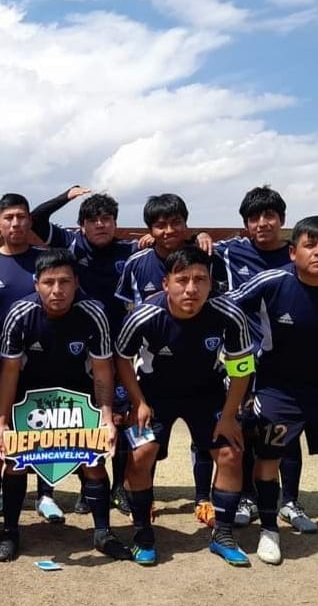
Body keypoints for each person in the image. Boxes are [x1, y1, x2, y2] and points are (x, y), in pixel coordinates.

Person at [229, 215, 318, 568]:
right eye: (311, 245)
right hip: (275, 388)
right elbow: (226, 309)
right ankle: (269, 530)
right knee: (268, 458)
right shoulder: (271, 282)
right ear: (293, 252)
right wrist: (241, 369)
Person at [114, 246, 255, 565]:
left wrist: (230, 415)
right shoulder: (144, 315)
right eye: (182, 280)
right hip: (154, 393)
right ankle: (142, 531)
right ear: (166, 284)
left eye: (199, 280)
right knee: (141, 454)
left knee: (231, 453)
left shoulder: (228, 313)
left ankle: (223, 534)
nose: (191, 288)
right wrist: (137, 402)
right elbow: (121, 358)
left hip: (207, 392)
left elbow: (242, 367)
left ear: (210, 283)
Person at [0, 249, 131, 562]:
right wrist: (2, 421)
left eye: (65, 282)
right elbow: (9, 373)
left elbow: (102, 370)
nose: (58, 290)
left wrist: (106, 417)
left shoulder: (93, 312)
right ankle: (10, 531)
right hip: (29, 400)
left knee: (93, 461)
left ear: (76, 282)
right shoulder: (20, 314)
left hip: (77, 398)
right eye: (49, 282)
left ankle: (103, 532)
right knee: (15, 462)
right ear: (36, 283)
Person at [28, 189, 140, 516]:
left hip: (120, 347)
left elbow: (178, 248)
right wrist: (67, 195)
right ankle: (84, 484)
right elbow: (36, 219)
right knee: (83, 416)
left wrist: (201, 235)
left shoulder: (131, 249)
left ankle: (118, 486)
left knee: (118, 419)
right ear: (82, 226)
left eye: (107, 219)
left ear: (116, 223)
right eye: (93, 220)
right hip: (82, 346)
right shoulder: (71, 246)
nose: (101, 225)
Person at [215, 186, 314, 534]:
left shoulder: (296, 256)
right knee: (241, 427)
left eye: (269, 216)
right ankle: (244, 497)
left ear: (282, 219)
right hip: (240, 357)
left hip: (287, 361)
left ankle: (290, 500)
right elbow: (182, 255)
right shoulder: (228, 252)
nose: (262, 223)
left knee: (285, 432)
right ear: (245, 223)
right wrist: (197, 237)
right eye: (254, 218)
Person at [115, 193, 218, 526]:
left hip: (202, 366)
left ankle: (204, 499)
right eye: (160, 225)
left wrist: (202, 237)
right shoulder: (137, 262)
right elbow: (126, 310)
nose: (168, 230)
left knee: (208, 442)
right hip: (153, 372)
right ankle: (146, 501)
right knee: (148, 447)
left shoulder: (205, 255)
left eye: (176, 223)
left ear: (187, 225)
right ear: (150, 229)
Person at [0, 192, 67, 524]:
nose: (16, 223)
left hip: (45, 359)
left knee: (45, 428)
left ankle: (46, 494)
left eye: (22, 217)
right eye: (9, 217)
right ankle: (2, 491)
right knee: (4, 428)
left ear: (30, 221)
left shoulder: (48, 258)